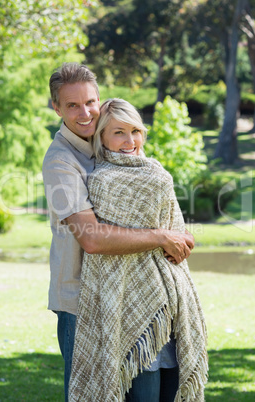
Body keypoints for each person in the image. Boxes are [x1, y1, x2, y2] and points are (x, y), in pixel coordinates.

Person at [42, 63, 195, 402]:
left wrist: (174, 238)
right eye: (72, 105)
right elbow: (92, 238)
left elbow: (174, 227)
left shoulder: (117, 152)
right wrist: (160, 237)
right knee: (93, 394)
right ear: (56, 108)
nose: (85, 113)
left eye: (90, 102)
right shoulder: (61, 162)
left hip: (138, 298)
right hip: (81, 301)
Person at [69, 99, 208, 402]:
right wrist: (162, 239)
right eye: (118, 132)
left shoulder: (156, 171)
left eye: (136, 131)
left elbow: (182, 236)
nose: (129, 141)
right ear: (102, 136)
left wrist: (178, 241)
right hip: (129, 306)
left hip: (172, 306)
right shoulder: (101, 181)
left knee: (174, 390)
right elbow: (104, 244)